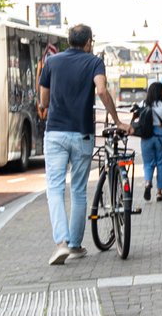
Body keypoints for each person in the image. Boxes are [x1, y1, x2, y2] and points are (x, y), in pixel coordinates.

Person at [38, 24, 123, 265]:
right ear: (87, 42)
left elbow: (43, 102)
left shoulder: (52, 62)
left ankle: (62, 243)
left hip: (55, 133)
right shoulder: (94, 62)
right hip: (82, 133)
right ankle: (75, 245)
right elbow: (102, 91)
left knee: (54, 188)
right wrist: (116, 120)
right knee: (78, 190)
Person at [135, 78, 162, 201]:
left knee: (148, 163)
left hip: (146, 136)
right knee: (161, 165)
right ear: (160, 92)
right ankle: (159, 193)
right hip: (160, 136)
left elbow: (136, 115)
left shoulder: (143, 103)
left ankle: (147, 183)